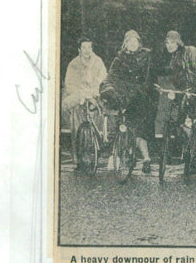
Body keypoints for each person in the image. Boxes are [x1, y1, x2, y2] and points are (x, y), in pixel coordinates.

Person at [99, 29, 154, 173]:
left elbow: (148, 79)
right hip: (124, 96)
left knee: (139, 129)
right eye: (129, 41)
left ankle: (146, 159)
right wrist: (107, 86)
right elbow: (111, 75)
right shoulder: (119, 58)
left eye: (135, 41)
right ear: (125, 43)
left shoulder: (146, 56)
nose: (132, 44)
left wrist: (139, 91)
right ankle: (117, 155)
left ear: (139, 42)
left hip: (140, 96)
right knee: (119, 124)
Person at [62, 36, 107, 166]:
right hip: (79, 97)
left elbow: (103, 78)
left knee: (98, 114)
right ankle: (79, 156)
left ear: (92, 49)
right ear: (79, 49)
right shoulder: (74, 64)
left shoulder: (98, 62)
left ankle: (97, 148)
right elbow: (69, 83)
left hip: (94, 95)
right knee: (75, 117)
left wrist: (94, 91)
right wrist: (82, 94)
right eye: (84, 47)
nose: (87, 50)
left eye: (89, 47)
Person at [154, 30, 196, 137]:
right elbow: (176, 80)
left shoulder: (191, 51)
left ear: (178, 42)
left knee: (193, 122)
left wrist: (191, 88)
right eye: (167, 43)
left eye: (172, 42)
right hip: (185, 93)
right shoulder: (173, 60)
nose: (169, 46)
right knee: (177, 119)